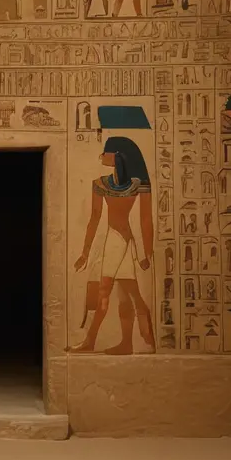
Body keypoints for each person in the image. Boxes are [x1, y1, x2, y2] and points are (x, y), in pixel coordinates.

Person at [73, 136, 155, 354]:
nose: (102, 155)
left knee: (105, 292)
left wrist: (148, 253)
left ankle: (91, 341)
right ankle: (132, 342)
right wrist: (85, 252)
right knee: (129, 293)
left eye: (106, 152)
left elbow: (146, 219)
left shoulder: (138, 184)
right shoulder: (100, 184)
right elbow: (95, 218)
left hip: (118, 242)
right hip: (121, 241)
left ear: (118, 156)